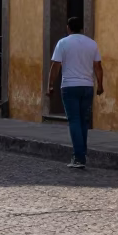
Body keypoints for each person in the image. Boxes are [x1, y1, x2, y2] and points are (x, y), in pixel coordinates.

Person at [45, 17, 104, 170]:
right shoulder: (92, 43)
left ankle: (78, 157)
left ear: (68, 28)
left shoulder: (63, 43)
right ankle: (82, 153)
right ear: (82, 29)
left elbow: (56, 66)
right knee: (83, 121)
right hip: (87, 86)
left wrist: (50, 85)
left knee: (74, 121)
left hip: (70, 87)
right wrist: (100, 85)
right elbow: (98, 66)